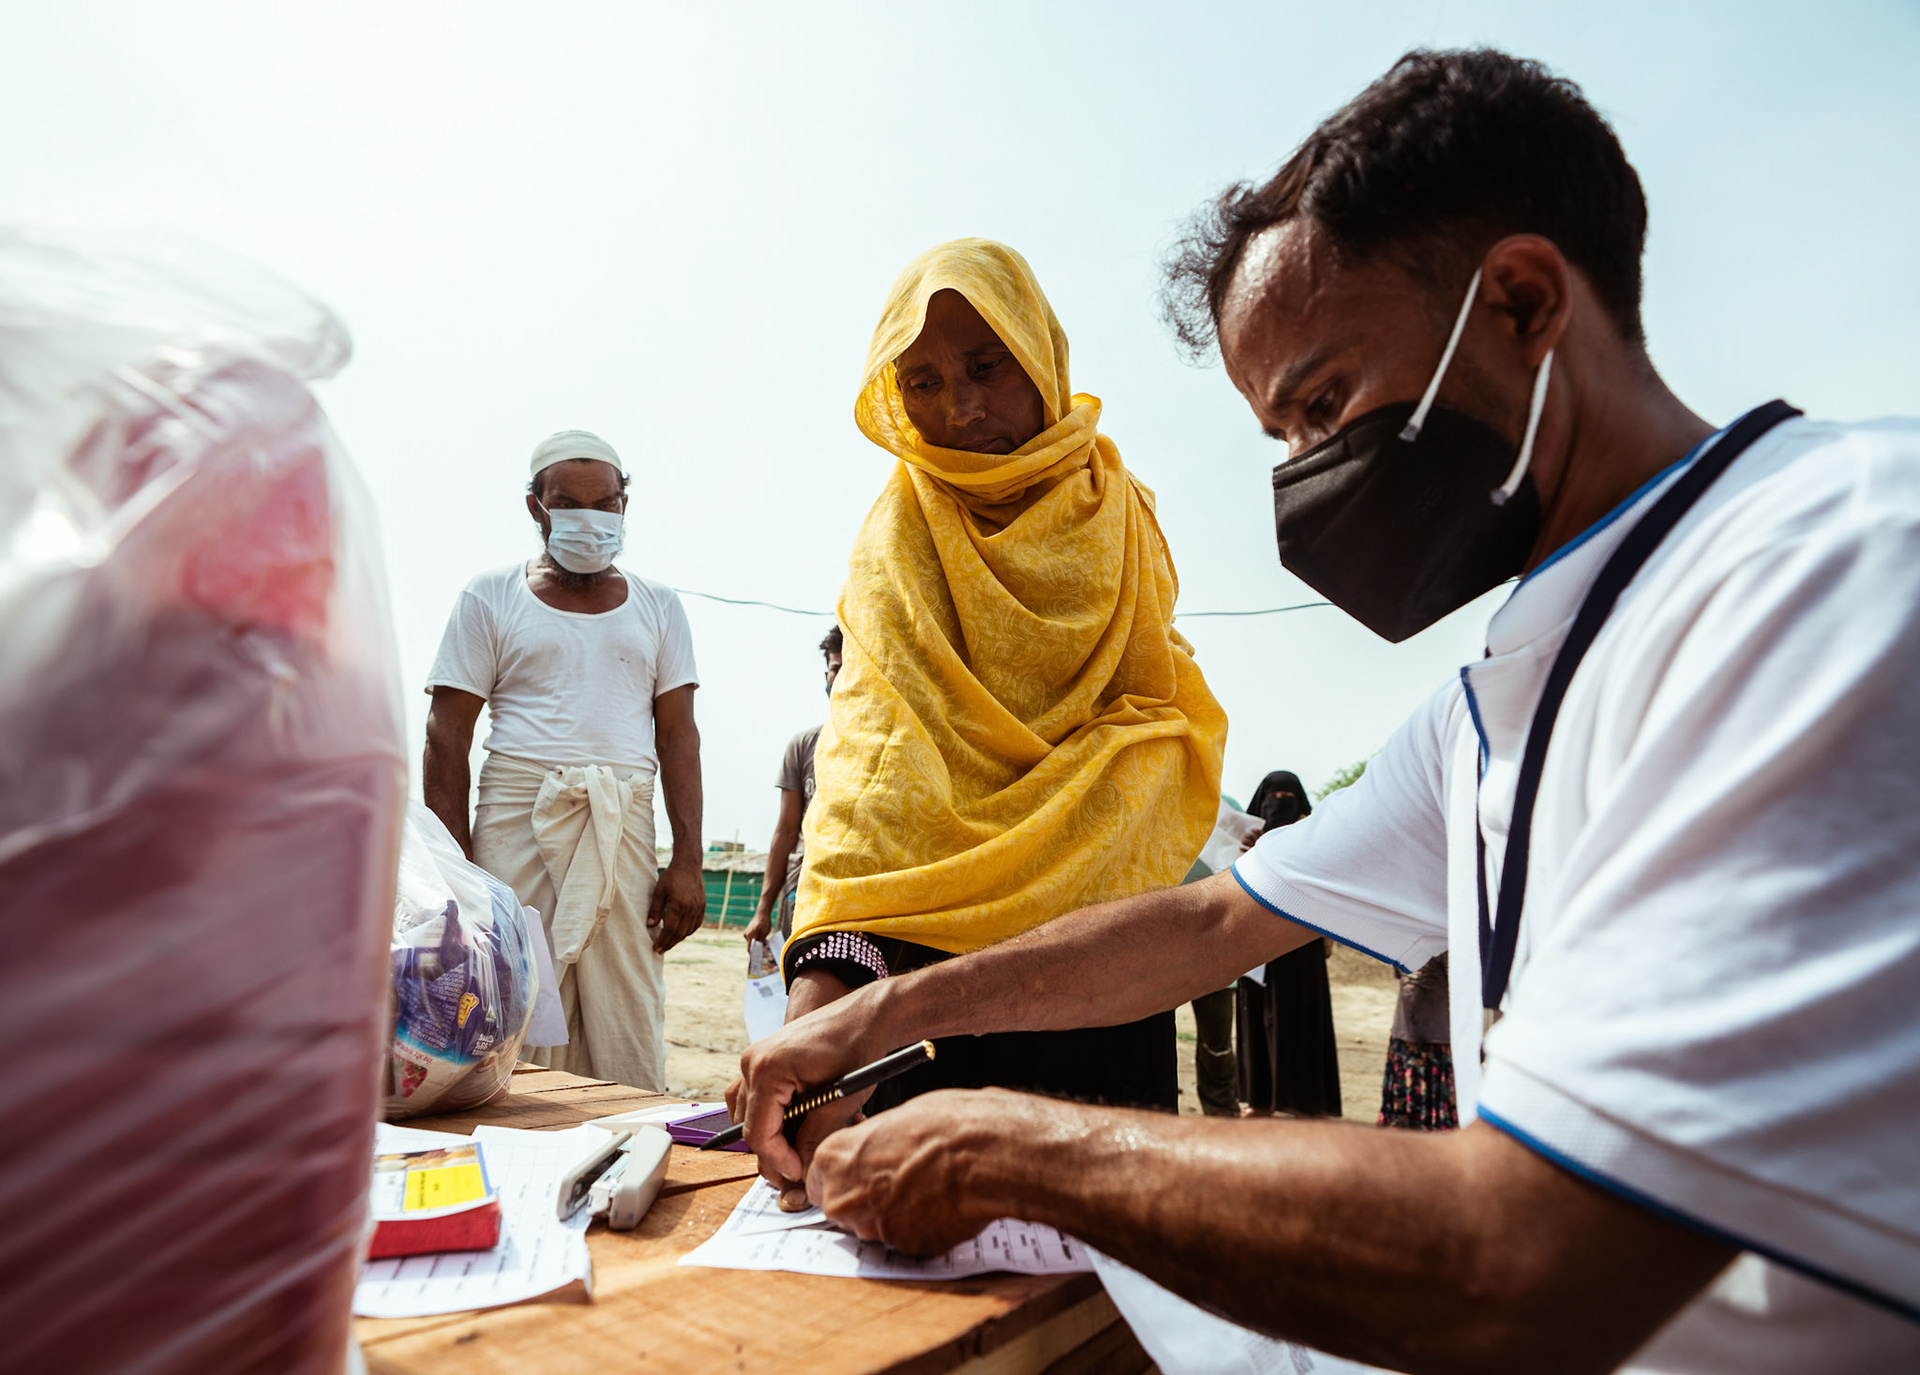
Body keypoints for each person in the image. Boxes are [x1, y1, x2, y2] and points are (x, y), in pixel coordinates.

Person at [732, 51, 1920, 1372]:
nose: (1306, 479)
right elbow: (1219, 916)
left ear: (1523, 301)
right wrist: (883, 1014)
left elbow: (1530, 1265)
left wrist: (1010, 1141)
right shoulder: (1499, 696)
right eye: (1279, 440)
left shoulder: (1839, 561)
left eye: (1322, 405)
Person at [775, 238, 1228, 1168]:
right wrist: (821, 1000)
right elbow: (874, 766)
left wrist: (1100, 804)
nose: (962, 408)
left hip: (1106, 955)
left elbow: (1151, 715)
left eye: (987, 367)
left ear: (1041, 357)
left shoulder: (1122, 515)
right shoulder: (898, 539)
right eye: (925, 383)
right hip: (924, 989)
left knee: (1103, 1268)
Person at [424, 430, 706, 1093]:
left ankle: (623, 1138)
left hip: (622, 831)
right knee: (512, 996)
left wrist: (688, 859)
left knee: (626, 1004)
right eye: (568, 502)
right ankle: (516, 1152)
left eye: (604, 502)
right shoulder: (489, 596)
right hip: (515, 825)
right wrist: (458, 874)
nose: (589, 517)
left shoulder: (660, 606)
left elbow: (680, 737)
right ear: (535, 507)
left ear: (624, 505)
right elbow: (446, 738)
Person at [1233, 771, 1339, 1118]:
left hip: (1300, 944)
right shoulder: (1248, 841)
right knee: (1256, 1019)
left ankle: (1303, 1100)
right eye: (1273, 797)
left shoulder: (1315, 836)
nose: (1280, 804)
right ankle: (1260, 1098)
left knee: (1299, 1018)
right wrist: (1248, 851)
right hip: (1256, 943)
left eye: (1288, 798)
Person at [743, 626, 843, 948]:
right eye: (835, 669)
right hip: (799, 891)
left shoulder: (884, 744)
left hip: (851, 891)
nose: (840, 678)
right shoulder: (803, 747)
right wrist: (762, 910)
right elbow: (786, 831)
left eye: (850, 669)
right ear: (825, 675)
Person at [1380, 952, 1456, 1130]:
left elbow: (1460, 987)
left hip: (1436, 1043)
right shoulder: (1406, 942)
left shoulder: (1446, 942)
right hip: (1405, 1038)